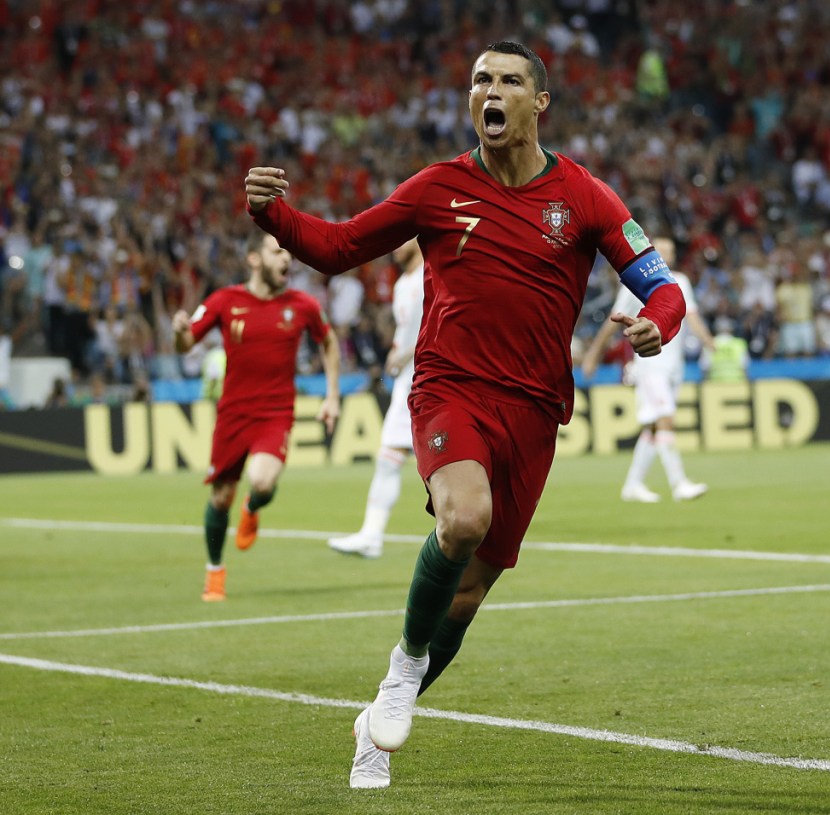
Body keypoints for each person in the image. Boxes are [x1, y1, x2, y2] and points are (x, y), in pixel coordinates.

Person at [244, 40, 685, 789]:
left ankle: (378, 724)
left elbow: (662, 286)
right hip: (449, 387)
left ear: (537, 103)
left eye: (510, 80)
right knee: (463, 519)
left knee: (471, 592)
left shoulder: (584, 196)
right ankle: (402, 670)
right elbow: (342, 245)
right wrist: (274, 215)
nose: (493, 89)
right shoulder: (436, 188)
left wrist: (656, 326)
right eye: (482, 79)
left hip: (536, 411)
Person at [172, 232, 341, 601]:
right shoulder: (224, 301)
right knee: (220, 498)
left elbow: (329, 342)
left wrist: (332, 395)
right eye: (276, 251)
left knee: (262, 481)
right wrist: (180, 334)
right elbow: (186, 344)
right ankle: (215, 571)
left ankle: (252, 506)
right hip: (233, 413)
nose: (286, 259)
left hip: (276, 413)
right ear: (253, 259)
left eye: (288, 253)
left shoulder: (304, 304)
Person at [581, 237, 714, 503]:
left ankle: (633, 485)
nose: (666, 256)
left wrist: (709, 343)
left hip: (674, 366)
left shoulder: (680, 282)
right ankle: (679, 484)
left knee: (653, 428)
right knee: (665, 419)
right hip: (650, 364)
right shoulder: (636, 283)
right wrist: (593, 355)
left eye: (671, 251)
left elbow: (692, 317)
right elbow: (612, 322)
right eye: (661, 251)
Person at [327, 238, 425, 558]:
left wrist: (408, 351)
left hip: (429, 376)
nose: (395, 245)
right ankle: (372, 535)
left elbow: (445, 324)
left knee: (418, 462)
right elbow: (407, 331)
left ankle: (373, 535)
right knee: (391, 457)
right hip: (408, 380)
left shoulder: (433, 275)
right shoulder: (403, 284)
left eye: (404, 237)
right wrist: (396, 352)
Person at [702, 316, 750, 382]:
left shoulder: (709, 343)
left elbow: (705, 368)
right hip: (737, 383)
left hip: (715, 384)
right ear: (731, 329)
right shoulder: (739, 344)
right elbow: (744, 367)